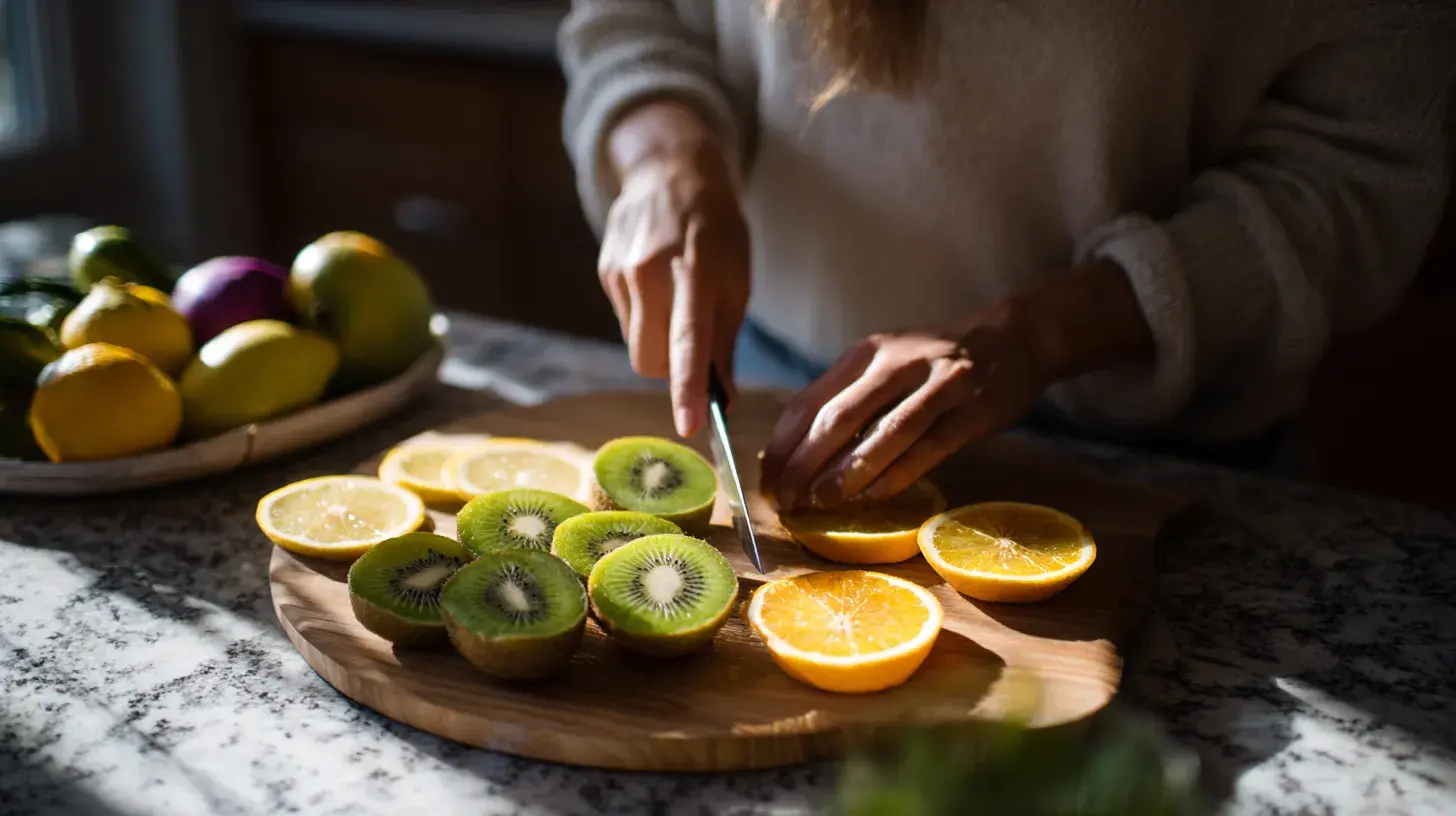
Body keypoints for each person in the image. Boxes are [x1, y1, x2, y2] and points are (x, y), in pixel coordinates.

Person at [558, 0, 1454, 511]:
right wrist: (664, 151)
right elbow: (635, 14)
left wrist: (1039, 335)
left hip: (1152, 464)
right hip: (771, 391)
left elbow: (1354, 174)